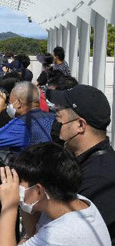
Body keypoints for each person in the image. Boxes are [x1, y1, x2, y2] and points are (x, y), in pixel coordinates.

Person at [0, 142, 111, 246]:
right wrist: (22, 202)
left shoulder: (61, 234)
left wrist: (9, 205)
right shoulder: (74, 201)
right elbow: (33, 232)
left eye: (19, 183)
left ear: (39, 190)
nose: (15, 187)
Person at [47, 84, 115, 245]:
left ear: (80, 125)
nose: (55, 122)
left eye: (58, 117)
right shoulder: (80, 161)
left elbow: (65, 235)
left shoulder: (99, 179)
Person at [0, 81, 55, 153]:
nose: (9, 105)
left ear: (19, 103)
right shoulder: (52, 116)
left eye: (10, 102)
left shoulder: (21, 124)